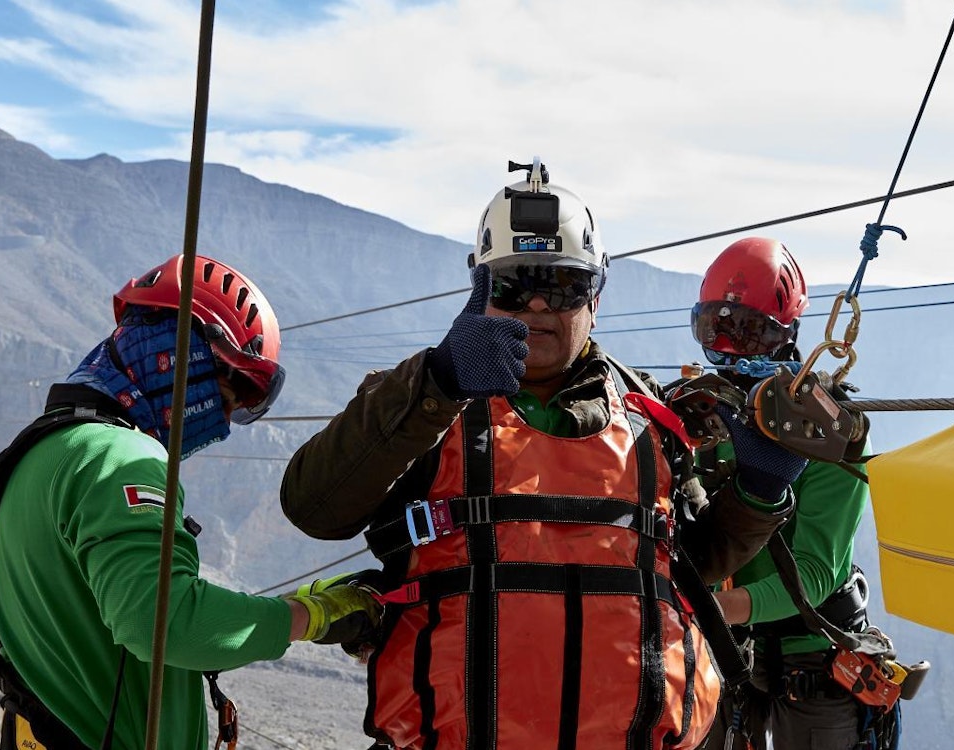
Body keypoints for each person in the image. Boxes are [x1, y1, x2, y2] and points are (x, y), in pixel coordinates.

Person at [278, 161, 804, 750]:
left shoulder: (650, 417)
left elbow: (691, 565)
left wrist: (759, 491)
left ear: (595, 295)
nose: (535, 304)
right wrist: (440, 381)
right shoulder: (419, 400)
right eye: (511, 282)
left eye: (561, 286)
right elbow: (313, 507)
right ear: (478, 289)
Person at [0, 254, 383, 750]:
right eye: (228, 388)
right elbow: (164, 623)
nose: (222, 422)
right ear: (177, 348)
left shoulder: (40, 453)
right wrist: (313, 616)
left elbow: (112, 620)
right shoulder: (118, 457)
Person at [680, 238, 894, 750]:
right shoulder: (701, 415)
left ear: (786, 335)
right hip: (728, 645)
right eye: (717, 330)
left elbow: (816, 574)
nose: (730, 350)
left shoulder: (829, 430)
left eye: (749, 332)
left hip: (812, 650)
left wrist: (703, 607)